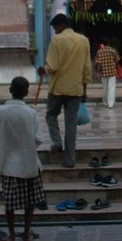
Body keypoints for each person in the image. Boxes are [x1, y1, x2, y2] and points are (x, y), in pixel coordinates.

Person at [37, 13, 92, 169]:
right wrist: (84, 91)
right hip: (76, 89)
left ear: (62, 25)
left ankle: (56, 141)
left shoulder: (57, 40)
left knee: (51, 115)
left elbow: (52, 66)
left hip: (58, 88)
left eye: (56, 28)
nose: (55, 31)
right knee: (71, 124)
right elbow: (87, 69)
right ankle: (70, 160)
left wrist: (43, 70)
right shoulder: (84, 40)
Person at [0, 76, 45, 241]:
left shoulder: (0, 111)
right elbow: (38, 139)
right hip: (29, 162)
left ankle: (11, 233)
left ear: (10, 90)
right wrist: (27, 147)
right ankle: (27, 232)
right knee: (30, 200)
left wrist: (8, 145)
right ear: (27, 93)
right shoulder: (31, 113)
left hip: (8, 163)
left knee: (9, 202)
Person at [94, 35, 121, 109]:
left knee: (105, 88)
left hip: (103, 73)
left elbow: (98, 63)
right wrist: (116, 69)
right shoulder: (113, 50)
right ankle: (111, 104)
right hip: (112, 72)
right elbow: (117, 61)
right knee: (111, 88)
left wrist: (98, 72)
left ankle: (105, 102)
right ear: (109, 42)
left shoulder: (99, 51)